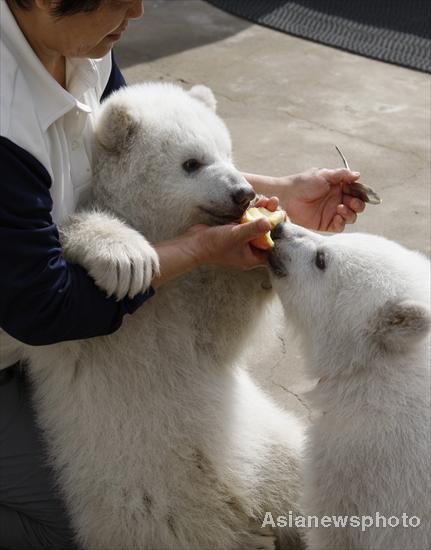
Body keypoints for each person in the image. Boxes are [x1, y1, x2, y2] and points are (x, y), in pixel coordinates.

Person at [0, 1, 365, 548]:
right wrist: (193, 250)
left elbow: (153, 156)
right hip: (27, 335)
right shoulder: (6, 117)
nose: (139, 10)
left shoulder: (83, 43)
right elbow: (46, 304)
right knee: (111, 524)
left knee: (327, 505)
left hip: (56, 342)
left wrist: (280, 193)